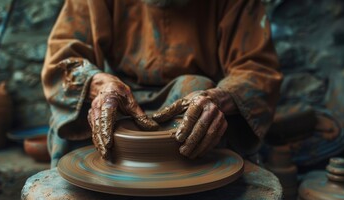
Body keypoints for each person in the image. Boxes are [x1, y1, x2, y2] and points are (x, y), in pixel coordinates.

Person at [42, 0, 283, 167]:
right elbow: (64, 57)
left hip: (196, 98)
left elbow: (257, 70)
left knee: (197, 98)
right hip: (123, 95)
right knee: (81, 112)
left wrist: (219, 98)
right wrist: (101, 85)